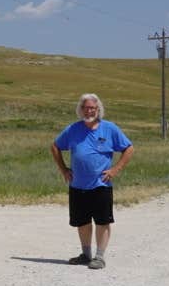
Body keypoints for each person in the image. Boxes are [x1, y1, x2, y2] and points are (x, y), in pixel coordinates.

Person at [50, 93, 134, 270]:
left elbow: (128, 148)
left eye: (93, 108)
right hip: (77, 185)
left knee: (102, 221)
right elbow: (55, 146)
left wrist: (115, 169)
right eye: (86, 108)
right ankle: (85, 254)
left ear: (99, 110)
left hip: (101, 185)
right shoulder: (73, 129)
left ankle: (99, 256)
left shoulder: (109, 128)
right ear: (80, 110)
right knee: (82, 222)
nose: (89, 111)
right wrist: (64, 169)